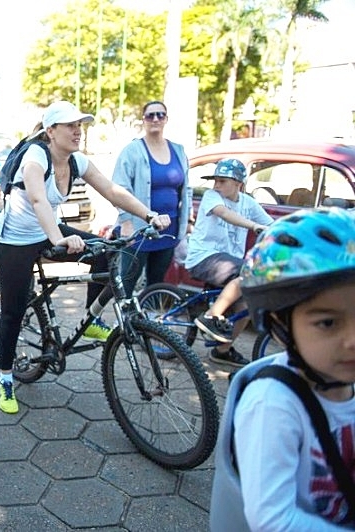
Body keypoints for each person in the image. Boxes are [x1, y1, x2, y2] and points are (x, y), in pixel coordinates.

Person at [0, 100, 170, 414]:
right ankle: (6, 378)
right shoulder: (35, 156)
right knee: (13, 312)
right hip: (15, 241)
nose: (78, 131)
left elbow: (113, 191)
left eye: (80, 125)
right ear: (51, 131)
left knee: (105, 253)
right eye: (70, 125)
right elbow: (37, 198)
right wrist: (58, 239)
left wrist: (149, 214)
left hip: (47, 230)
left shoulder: (77, 160)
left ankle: (91, 319)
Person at [210, 207, 355, 530]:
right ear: (279, 325)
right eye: (328, 323)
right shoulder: (273, 404)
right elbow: (274, 519)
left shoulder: (344, 377)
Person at [184, 158, 272, 368]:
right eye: (215, 180)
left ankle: (222, 351)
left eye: (222, 181)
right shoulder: (211, 196)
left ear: (239, 183)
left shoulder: (248, 203)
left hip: (227, 264)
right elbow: (224, 213)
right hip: (204, 257)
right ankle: (210, 316)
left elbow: (271, 224)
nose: (216, 185)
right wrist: (254, 226)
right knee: (246, 270)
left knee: (247, 304)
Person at [112, 101, 191, 296]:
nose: (155, 119)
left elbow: (186, 189)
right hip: (138, 228)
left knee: (157, 283)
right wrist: (126, 221)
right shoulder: (132, 150)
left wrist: (187, 220)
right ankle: (124, 315)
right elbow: (119, 188)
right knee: (128, 281)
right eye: (150, 115)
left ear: (166, 119)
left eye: (160, 115)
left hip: (169, 229)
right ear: (143, 119)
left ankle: (150, 315)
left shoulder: (178, 151)